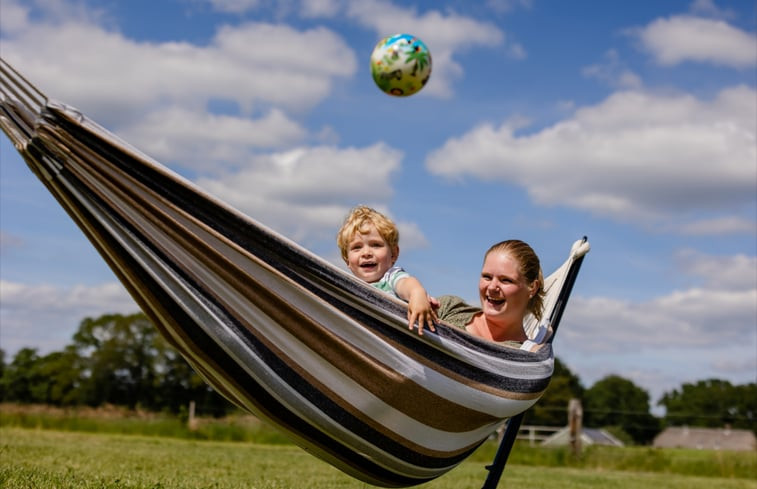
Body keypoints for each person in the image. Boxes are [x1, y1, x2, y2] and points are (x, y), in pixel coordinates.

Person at [337, 206, 437, 335]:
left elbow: (405, 283)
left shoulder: (390, 277)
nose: (366, 253)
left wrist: (417, 293)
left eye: (376, 245)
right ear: (347, 260)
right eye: (357, 247)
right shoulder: (347, 287)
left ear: (393, 254)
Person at [436, 239, 547, 350]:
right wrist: (417, 290)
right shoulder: (449, 308)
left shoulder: (525, 356)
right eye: (487, 277)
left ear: (532, 288)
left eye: (505, 280)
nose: (492, 287)